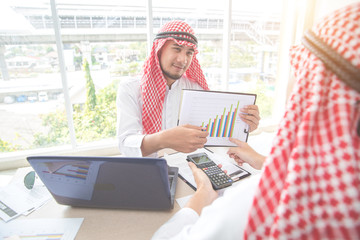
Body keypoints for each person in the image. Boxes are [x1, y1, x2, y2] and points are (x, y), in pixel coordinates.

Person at [152, 2, 360, 239]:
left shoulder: (258, 203)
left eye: (302, 73)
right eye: (176, 49)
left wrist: (201, 197)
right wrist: (262, 160)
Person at [116, 20, 260, 157]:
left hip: (188, 168)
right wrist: (163, 139)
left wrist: (244, 127)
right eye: (177, 49)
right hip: (148, 169)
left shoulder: (196, 89)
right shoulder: (130, 89)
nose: (182, 59)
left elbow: (215, 131)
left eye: (189, 53)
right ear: (159, 50)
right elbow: (125, 144)